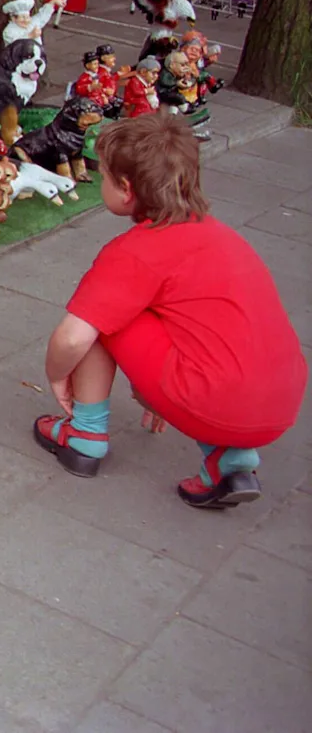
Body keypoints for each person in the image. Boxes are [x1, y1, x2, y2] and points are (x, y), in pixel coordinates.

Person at [34, 112, 305, 508]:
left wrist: (58, 374)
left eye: (103, 175)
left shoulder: (136, 251)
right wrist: (159, 384)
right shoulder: (223, 238)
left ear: (126, 189)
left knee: (103, 312)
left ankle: (84, 434)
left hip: (210, 397)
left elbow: (74, 337)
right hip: (282, 403)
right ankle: (229, 458)